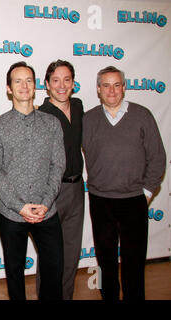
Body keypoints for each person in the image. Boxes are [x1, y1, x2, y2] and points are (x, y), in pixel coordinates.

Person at [82, 66, 166, 300]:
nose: (112, 90)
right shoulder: (88, 119)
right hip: (100, 200)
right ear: (98, 89)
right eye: (106, 85)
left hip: (134, 201)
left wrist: (147, 192)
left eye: (117, 85)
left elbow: (158, 158)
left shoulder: (142, 115)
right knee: (105, 259)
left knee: (134, 260)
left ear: (124, 87)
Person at [0, 61, 65, 300]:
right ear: (9, 88)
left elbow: (58, 165)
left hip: (47, 210)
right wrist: (19, 206)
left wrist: (45, 201)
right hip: (12, 214)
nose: (24, 85)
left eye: (29, 80)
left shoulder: (52, 124)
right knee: (14, 272)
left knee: (54, 270)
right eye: (17, 81)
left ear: (36, 86)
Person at [36, 60, 84, 300]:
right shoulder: (39, 115)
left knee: (72, 253)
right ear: (46, 85)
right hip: (51, 192)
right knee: (50, 254)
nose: (61, 85)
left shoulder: (78, 106)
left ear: (74, 84)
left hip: (77, 190)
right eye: (56, 80)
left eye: (67, 80)